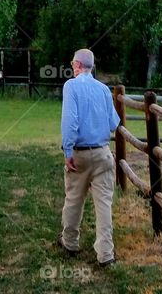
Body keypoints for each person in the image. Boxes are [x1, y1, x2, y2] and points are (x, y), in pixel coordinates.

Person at [58, 48, 121, 266]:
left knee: (74, 199)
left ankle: (70, 242)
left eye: (72, 64)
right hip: (103, 153)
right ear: (91, 67)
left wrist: (68, 151)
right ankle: (106, 254)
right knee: (104, 204)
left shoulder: (71, 87)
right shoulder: (103, 89)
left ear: (76, 65)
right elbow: (115, 123)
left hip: (80, 153)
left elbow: (70, 122)